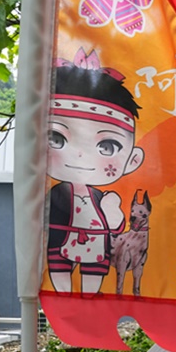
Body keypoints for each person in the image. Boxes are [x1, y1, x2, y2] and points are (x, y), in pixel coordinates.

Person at [47, 51, 145, 294]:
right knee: (59, 268)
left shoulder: (102, 198)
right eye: (56, 138)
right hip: (61, 244)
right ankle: (64, 298)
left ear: (132, 160)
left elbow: (113, 225)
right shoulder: (57, 194)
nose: (80, 155)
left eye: (107, 146)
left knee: (94, 270)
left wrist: (112, 213)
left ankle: (90, 298)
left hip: (96, 247)